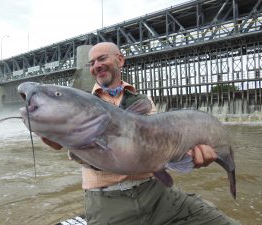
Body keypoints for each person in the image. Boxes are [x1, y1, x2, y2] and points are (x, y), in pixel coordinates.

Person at [41, 42, 240, 225]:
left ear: (120, 59)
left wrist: (188, 156)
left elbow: (159, 148)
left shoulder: (142, 101)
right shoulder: (78, 102)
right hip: (108, 203)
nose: (96, 66)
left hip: (158, 193)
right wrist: (59, 139)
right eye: (91, 63)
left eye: (102, 59)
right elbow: (82, 153)